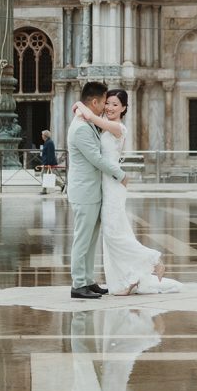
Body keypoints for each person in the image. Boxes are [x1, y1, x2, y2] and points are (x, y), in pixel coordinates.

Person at [73, 89, 181, 296]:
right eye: (108, 104)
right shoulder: (104, 127)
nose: (110, 108)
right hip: (105, 185)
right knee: (115, 234)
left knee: (114, 236)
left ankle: (153, 259)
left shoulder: (117, 127)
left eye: (115, 104)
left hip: (113, 185)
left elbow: (92, 116)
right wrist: (82, 107)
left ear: (124, 108)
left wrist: (80, 105)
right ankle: (130, 278)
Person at [67, 81, 126, 300]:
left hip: (92, 191)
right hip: (85, 191)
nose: (105, 107)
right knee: (82, 239)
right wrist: (120, 175)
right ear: (94, 101)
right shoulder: (81, 128)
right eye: (103, 102)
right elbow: (96, 158)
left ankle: (88, 280)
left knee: (90, 239)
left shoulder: (86, 121)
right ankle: (78, 284)